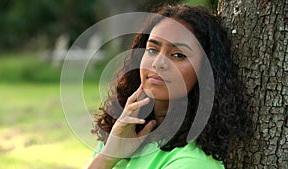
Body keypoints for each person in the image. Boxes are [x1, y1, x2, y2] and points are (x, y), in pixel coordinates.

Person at [87, 4, 253, 169]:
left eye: (178, 55)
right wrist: (108, 156)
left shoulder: (191, 162)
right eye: (152, 49)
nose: (158, 63)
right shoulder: (122, 131)